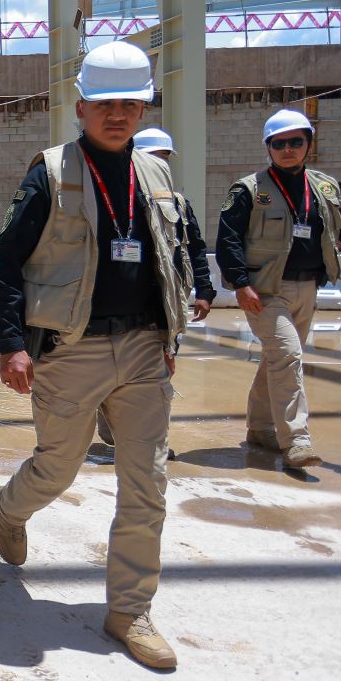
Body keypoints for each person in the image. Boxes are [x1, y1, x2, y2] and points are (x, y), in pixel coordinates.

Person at [0, 41, 193, 671]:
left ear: (144, 105)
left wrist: (169, 335)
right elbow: (7, 266)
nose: (118, 113)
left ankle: (129, 610)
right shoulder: (50, 172)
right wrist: (13, 344)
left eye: (130, 102)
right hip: (72, 348)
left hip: (143, 349)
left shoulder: (155, 175)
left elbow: (169, 260)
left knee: (148, 482)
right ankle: (7, 506)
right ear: (81, 107)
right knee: (58, 468)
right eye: (105, 103)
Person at [215, 109, 341, 469]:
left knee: (278, 359)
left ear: (309, 144)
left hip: (307, 287)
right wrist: (240, 284)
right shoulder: (249, 190)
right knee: (288, 356)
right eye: (279, 144)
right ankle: (296, 440)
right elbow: (228, 239)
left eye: (296, 142)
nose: (288, 149)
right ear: (269, 148)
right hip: (264, 292)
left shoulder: (327, 188)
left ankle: (260, 428)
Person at [95, 127, 216, 448]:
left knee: (161, 370)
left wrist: (204, 290)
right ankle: (119, 429)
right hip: (125, 305)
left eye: (165, 160)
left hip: (167, 304)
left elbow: (195, 249)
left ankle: (146, 442)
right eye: (154, 159)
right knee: (117, 372)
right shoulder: (116, 199)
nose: (160, 166)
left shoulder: (178, 204)